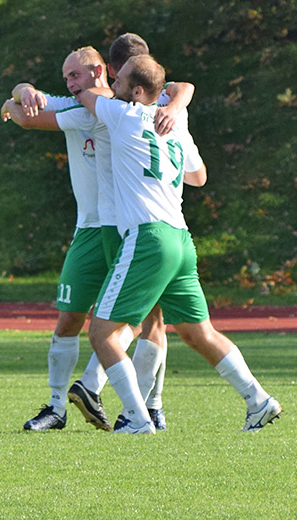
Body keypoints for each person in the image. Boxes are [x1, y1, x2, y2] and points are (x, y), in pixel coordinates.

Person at [75, 54, 282, 434]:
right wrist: (178, 101)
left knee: (101, 334)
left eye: (119, 82)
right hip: (181, 239)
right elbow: (198, 176)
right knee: (196, 332)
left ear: (137, 92)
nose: (114, 87)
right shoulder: (176, 119)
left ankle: (137, 419)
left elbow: (88, 94)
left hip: (148, 237)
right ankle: (259, 400)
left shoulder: (122, 115)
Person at [2, 43, 192, 431]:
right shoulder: (92, 103)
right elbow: (182, 88)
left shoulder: (106, 108)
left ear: (101, 71)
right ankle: (60, 407)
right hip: (91, 228)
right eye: (65, 78)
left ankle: (138, 406)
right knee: (73, 317)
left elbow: (24, 119)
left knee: (143, 320)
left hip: (126, 229)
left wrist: (16, 102)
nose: (70, 84)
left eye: (75, 76)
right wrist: (22, 91)